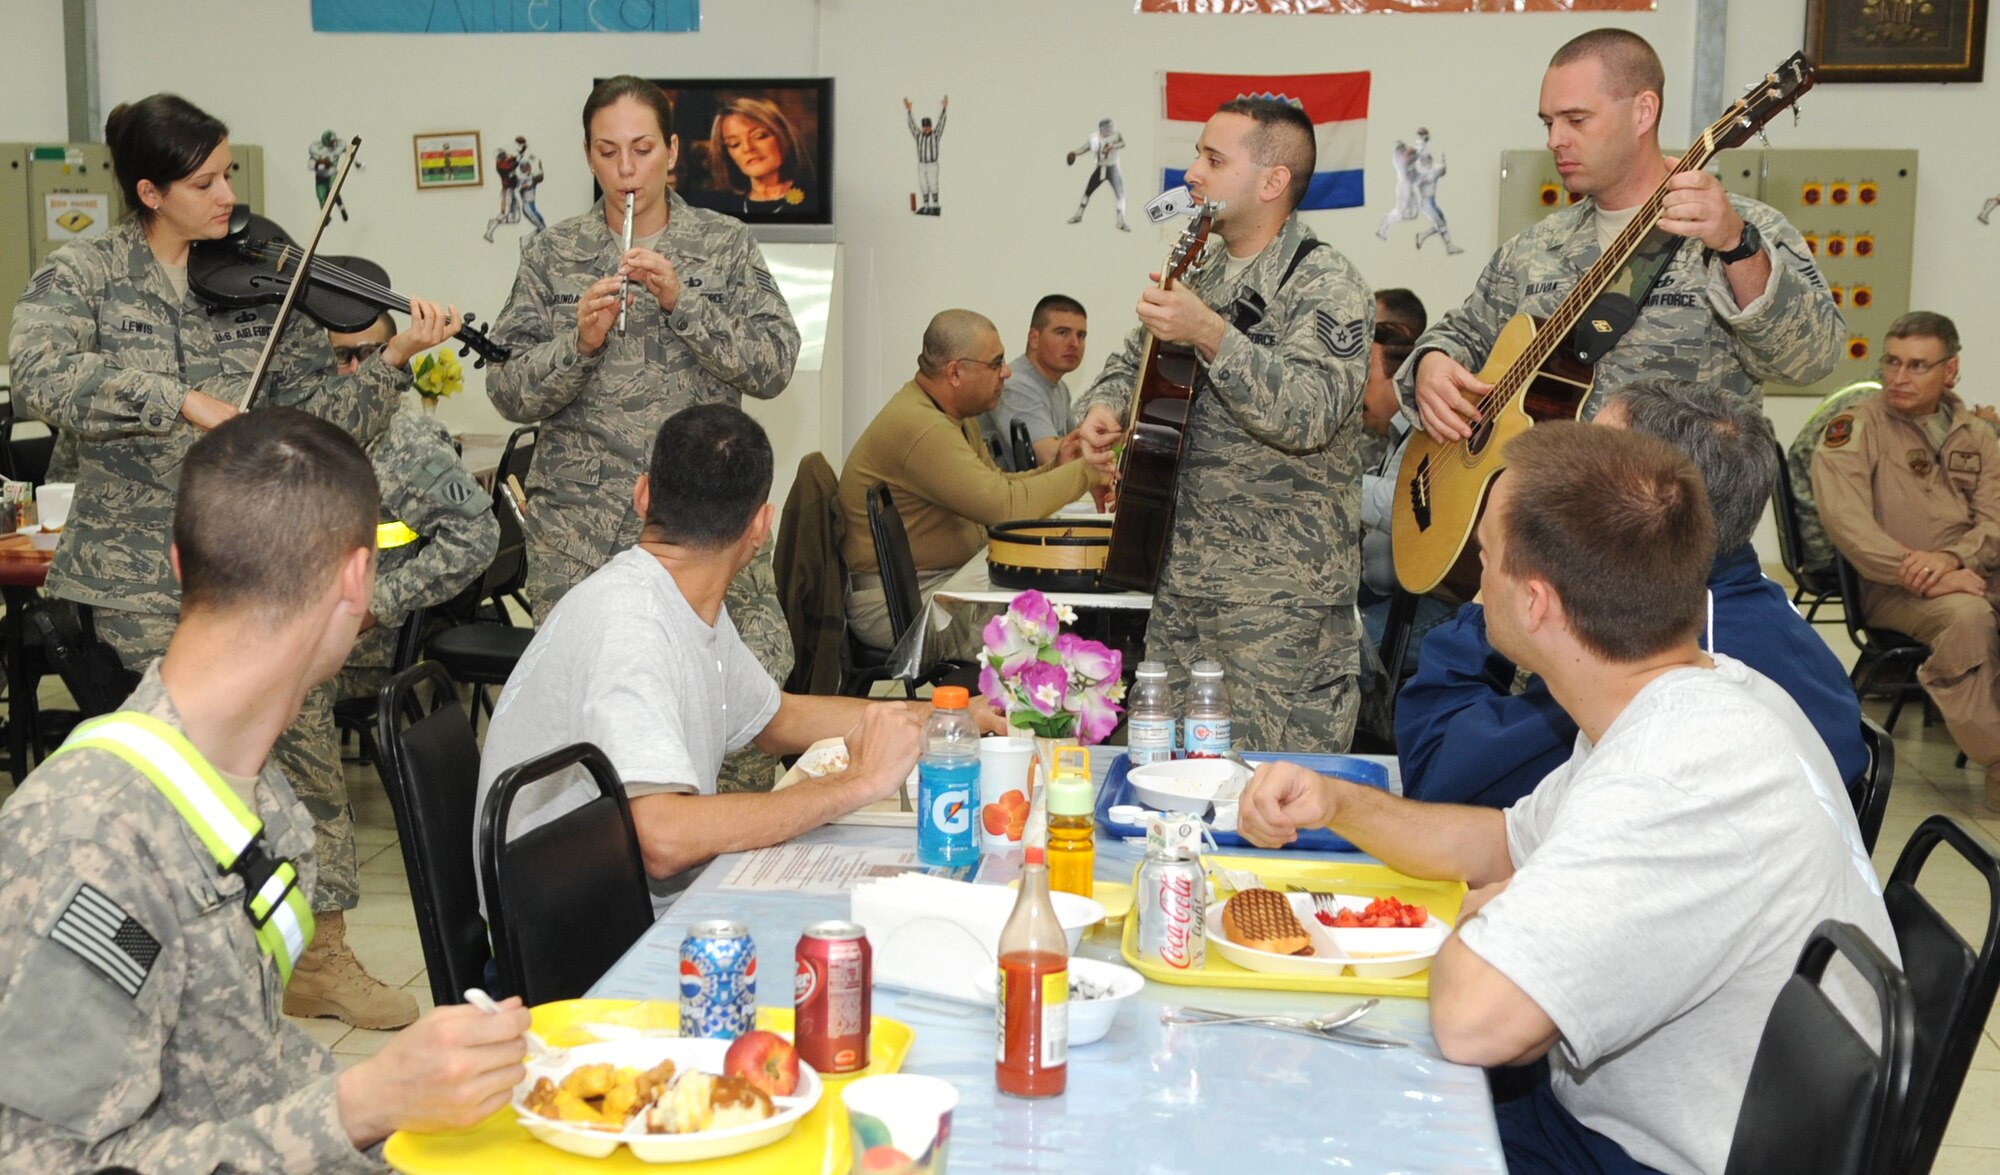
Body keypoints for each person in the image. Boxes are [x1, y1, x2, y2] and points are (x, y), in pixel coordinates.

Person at [1241, 423, 1896, 1175]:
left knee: (1300, 1123)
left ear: (1538, 603)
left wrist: (1488, 911)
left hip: (1650, 1156)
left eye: (1485, 559)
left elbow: (1475, 1021)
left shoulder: (1679, 771)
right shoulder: (1679, 692)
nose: (1477, 582)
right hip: (1615, 1117)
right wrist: (1337, 803)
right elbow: (1501, 842)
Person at [10, 93, 461, 1030]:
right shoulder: (85, 274)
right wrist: (180, 398)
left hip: (251, 573)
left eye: (229, 175)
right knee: (176, 781)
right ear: (149, 190)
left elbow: (314, 428)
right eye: (205, 181)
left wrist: (391, 365)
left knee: (303, 759)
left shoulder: (263, 283)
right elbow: (40, 374)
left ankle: (321, 957)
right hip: (134, 581)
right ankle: (161, 969)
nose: (228, 196)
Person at [0, 408, 531, 1172]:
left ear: (178, 562)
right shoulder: (92, 837)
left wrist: (395, 1110)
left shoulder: (258, 798)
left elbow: (236, 1080)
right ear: (357, 579)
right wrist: (364, 1104)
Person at [478, 405, 954, 913]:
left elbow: (778, 718)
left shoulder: (674, 596)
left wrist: (943, 719)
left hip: (600, 905)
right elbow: (664, 839)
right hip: (572, 947)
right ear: (759, 527)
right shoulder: (630, 627)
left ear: (642, 496)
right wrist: (856, 784)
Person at [485, 75, 800, 792]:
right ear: (588, 156)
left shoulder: (723, 245)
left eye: (641, 149)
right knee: (596, 731)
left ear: (672, 152)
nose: (626, 170)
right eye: (607, 151)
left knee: (742, 711)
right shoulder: (552, 254)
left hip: (707, 525)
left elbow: (774, 364)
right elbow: (505, 386)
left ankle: (728, 870)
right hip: (584, 533)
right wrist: (578, 343)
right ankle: (611, 887)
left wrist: (683, 304)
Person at [1400, 378, 1867, 809]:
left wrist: (1485, 610)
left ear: (1654, 506)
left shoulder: (1649, 652)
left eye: (1589, 463)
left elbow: (1441, 780)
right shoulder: (1750, 602)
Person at [1075, 97, 1374, 754]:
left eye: (1213, 159)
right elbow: (1134, 357)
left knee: (1268, 793)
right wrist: (1103, 408)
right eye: (1196, 155)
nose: (1192, 174)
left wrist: (1210, 332)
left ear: (1272, 182)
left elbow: (1311, 411)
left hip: (1279, 605)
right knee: (1167, 771)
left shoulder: (1326, 283)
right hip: (1183, 582)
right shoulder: (1201, 269)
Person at [1403, 29, 1843, 445]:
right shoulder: (1535, 248)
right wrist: (1431, 364)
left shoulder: (1743, 228)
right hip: (1545, 509)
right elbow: (1462, 333)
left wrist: (1736, 245)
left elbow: (1812, 360)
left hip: (1679, 507)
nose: (1555, 140)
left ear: (1643, 112)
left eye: (1576, 119)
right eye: (1548, 123)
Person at [1812, 311, 2000, 811]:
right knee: (1969, 618)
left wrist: (1952, 560)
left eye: (1918, 365)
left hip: (1972, 575)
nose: (1899, 376)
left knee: (1972, 603)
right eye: (1892, 362)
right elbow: (1848, 526)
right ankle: (1999, 761)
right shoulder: (1855, 427)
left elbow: (1995, 520)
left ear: (1951, 370)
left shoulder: (1977, 434)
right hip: (1892, 590)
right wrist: (1920, 573)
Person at [838, 311, 1100, 652]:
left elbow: (996, 487)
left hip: (939, 585)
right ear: (955, 372)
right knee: (1060, 632)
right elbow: (1005, 508)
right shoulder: (923, 427)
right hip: (902, 604)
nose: (1007, 372)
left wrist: (1057, 468)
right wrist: (1090, 471)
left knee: (1064, 611)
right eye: (996, 363)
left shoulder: (950, 416)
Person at [324, 313, 499, 707]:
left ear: (393, 358)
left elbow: (478, 537)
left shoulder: (406, 443)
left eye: (368, 353)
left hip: (361, 652)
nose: (354, 368)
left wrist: (379, 604)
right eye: (341, 356)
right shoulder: (323, 432)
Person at [978, 294, 1089, 471]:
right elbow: (1050, 458)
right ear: (1034, 338)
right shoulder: (1013, 385)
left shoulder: (1060, 388)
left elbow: (1073, 449)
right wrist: (1099, 441)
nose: (1074, 344)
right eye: (1063, 332)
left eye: (1081, 335)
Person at [709, 96, 818, 218]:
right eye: (734, 144)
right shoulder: (719, 210)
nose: (747, 148)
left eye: (760, 136)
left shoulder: (815, 198)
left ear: (784, 137)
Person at [1066, 118, 1130, 232]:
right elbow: (1084, 148)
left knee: (1120, 194)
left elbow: (1123, 143)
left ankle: (1121, 221)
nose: (1110, 129)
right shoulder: (1094, 138)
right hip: (1100, 168)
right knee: (1088, 191)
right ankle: (1078, 215)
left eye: (1111, 127)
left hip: (1112, 168)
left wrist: (1112, 146)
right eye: (1107, 127)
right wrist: (1074, 152)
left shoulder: (1116, 135)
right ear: (1101, 128)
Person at [906, 96, 947, 216]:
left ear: (931, 126)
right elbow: (912, 126)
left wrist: (944, 109)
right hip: (922, 164)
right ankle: (926, 205)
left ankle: (935, 204)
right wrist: (909, 111)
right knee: (923, 184)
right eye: (924, 127)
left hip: (932, 164)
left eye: (928, 127)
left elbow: (941, 124)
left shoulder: (935, 135)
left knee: (933, 183)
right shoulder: (919, 136)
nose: (926, 129)